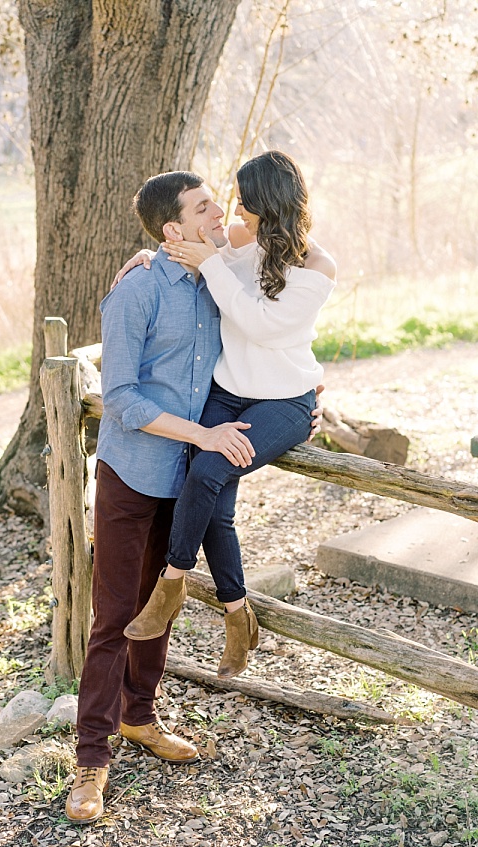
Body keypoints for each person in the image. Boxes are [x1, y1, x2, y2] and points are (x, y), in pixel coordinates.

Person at [120, 150, 334, 679]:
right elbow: (181, 245)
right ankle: (238, 616)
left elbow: (262, 325)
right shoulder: (239, 241)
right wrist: (144, 260)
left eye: (243, 202)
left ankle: (171, 585)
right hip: (229, 391)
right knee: (214, 506)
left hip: (284, 401)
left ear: (267, 204)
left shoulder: (316, 267)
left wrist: (212, 261)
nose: (233, 211)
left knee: (210, 470)